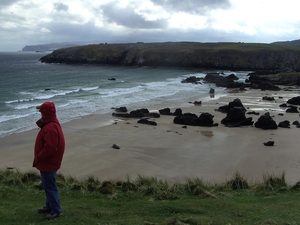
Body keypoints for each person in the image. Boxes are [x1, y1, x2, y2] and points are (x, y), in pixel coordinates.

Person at [33, 101, 65, 220]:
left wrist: (39, 157)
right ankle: (49, 206)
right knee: (48, 186)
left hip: (49, 163)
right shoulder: (51, 124)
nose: (40, 112)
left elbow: (50, 149)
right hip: (50, 162)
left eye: (41, 110)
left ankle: (56, 210)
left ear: (45, 112)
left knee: (50, 187)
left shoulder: (50, 127)